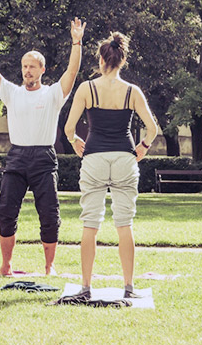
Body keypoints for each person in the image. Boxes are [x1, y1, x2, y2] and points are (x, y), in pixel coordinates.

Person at [0, 14, 84, 276]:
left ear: (42, 70)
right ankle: (6, 265)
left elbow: (72, 72)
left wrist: (76, 43)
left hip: (44, 158)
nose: (27, 71)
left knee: (49, 213)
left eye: (32, 67)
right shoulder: (12, 92)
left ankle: (49, 267)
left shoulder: (53, 93)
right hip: (17, 156)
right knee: (6, 210)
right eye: (24, 66)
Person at [63, 32, 158, 300]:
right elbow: (152, 129)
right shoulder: (132, 91)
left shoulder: (87, 88)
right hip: (124, 159)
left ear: (101, 59)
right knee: (124, 223)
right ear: (121, 60)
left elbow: (69, 128)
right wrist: (143, 148)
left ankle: (85, 287)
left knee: (90, 223)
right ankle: (128, 287)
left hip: (93, 157)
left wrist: (74, 141)